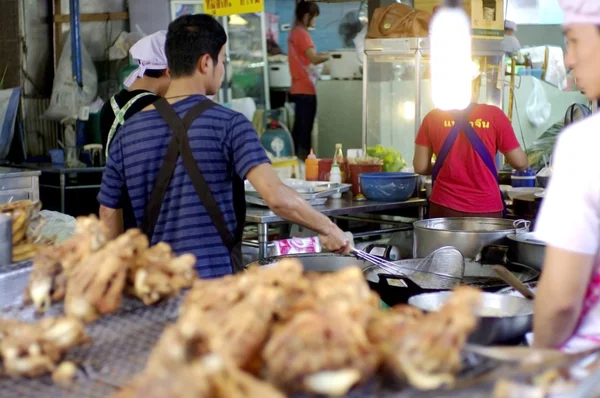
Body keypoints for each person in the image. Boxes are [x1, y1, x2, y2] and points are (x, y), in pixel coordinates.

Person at [98, 14, 350, 278]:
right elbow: (276, 197)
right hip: (215, 290)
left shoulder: (128, 132)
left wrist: (119, 281)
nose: (223, 69)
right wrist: (329, 228)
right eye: (223, 60)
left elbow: (108, 212)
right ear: (206, 62)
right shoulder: (230, 124)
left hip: (155, 288)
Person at [533, 0, 600, 352]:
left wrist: (536, 363)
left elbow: (560, 302)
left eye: (574, 40)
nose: (569, 59)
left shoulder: (586, 144)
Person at [413, 65, 529, 218]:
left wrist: (448, 165)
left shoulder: (433, 117)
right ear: (476, 86)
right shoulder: (494, 115)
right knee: (488, 244)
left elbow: (420, 167)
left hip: (444, 207)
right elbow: (520, 163)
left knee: (446, 244)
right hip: (486, 209)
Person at [98, 30, 170, 232]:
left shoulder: (108, 106)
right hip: (152, 218)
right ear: (167, 71)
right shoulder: (158, 109)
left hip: (117, 210)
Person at [288, 0, 329, 159]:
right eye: (314, 17)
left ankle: (297, 163)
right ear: (306, 16)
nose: (314, 21)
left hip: (297, 88)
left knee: (299, 130)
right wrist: (330, 56)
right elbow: (314, 58)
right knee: (305, 131)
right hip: (306, 89)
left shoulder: (293, 33)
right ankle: (304, 165)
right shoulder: (301, 34)